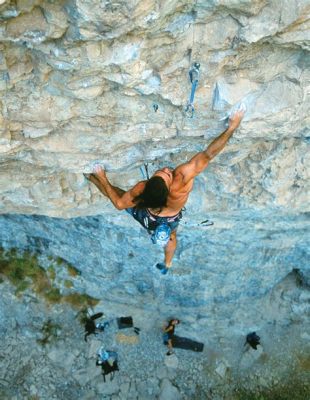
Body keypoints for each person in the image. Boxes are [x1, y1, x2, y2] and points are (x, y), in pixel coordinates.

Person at [85, 109, 244, 274]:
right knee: (171, 236)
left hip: (148, 216)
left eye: (166, 173)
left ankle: (91, 178)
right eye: (164, 173)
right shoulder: (177, 182)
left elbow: (119, 204)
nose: (166, 169)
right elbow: (207, 154)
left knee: (117, 193)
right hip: (166, 217)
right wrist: (232, 128)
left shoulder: (144, 188)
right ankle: (167, 262)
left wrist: (103, 177)